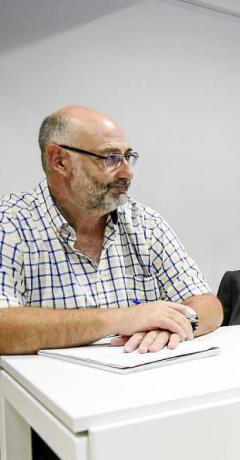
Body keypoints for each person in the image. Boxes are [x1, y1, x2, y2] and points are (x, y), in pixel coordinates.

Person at [0, 106, 223, 355]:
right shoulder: (9, 225)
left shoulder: (144, 223)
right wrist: (121, 319)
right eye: (110, 158)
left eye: (128, 157)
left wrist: (178, 325)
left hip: (141, 373)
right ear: (59, 160)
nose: (128, 172)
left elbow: (208, 304)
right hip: (48, 380)